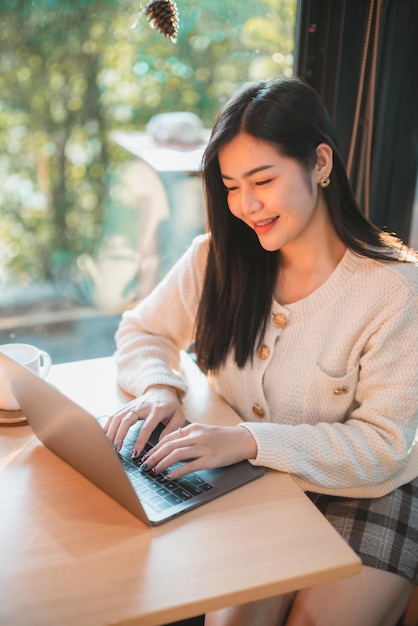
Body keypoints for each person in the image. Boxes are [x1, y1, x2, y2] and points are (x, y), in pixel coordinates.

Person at [105, 77, 418, 626]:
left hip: (370, 488)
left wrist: (246, 439)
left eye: (262, 180)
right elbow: (141, 331)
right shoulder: (218, 258)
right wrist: (160, 386)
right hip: (253, 474)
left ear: (320, 163)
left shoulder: (394, 290)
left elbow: (383, 446)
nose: (245, 205)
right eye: (229, 185)